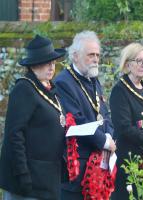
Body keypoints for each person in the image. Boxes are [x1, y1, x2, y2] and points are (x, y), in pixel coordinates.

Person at [0, 35, 66, 199]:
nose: (52, 66)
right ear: (34, 65)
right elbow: (14, 134)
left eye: (53, 62)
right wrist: (23, 175)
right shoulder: (24, 89)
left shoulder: (50, 90)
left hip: (47, 179)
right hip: (29, 181)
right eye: (46, 62)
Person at [54, 31, 116, 199]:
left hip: (99, 164)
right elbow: (76, 121)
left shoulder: (93, 79)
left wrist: (110, 136)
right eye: (90, 55)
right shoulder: (63, 82)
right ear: (75, 56)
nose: (96, 59)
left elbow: (105, 114)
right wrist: (104, 141)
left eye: (97, 55)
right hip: (78, 169)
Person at [109, 43, 143, 200]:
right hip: (130, 160)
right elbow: (124, 128)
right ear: (128, 64)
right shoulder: (120, 90)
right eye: (139, 60)